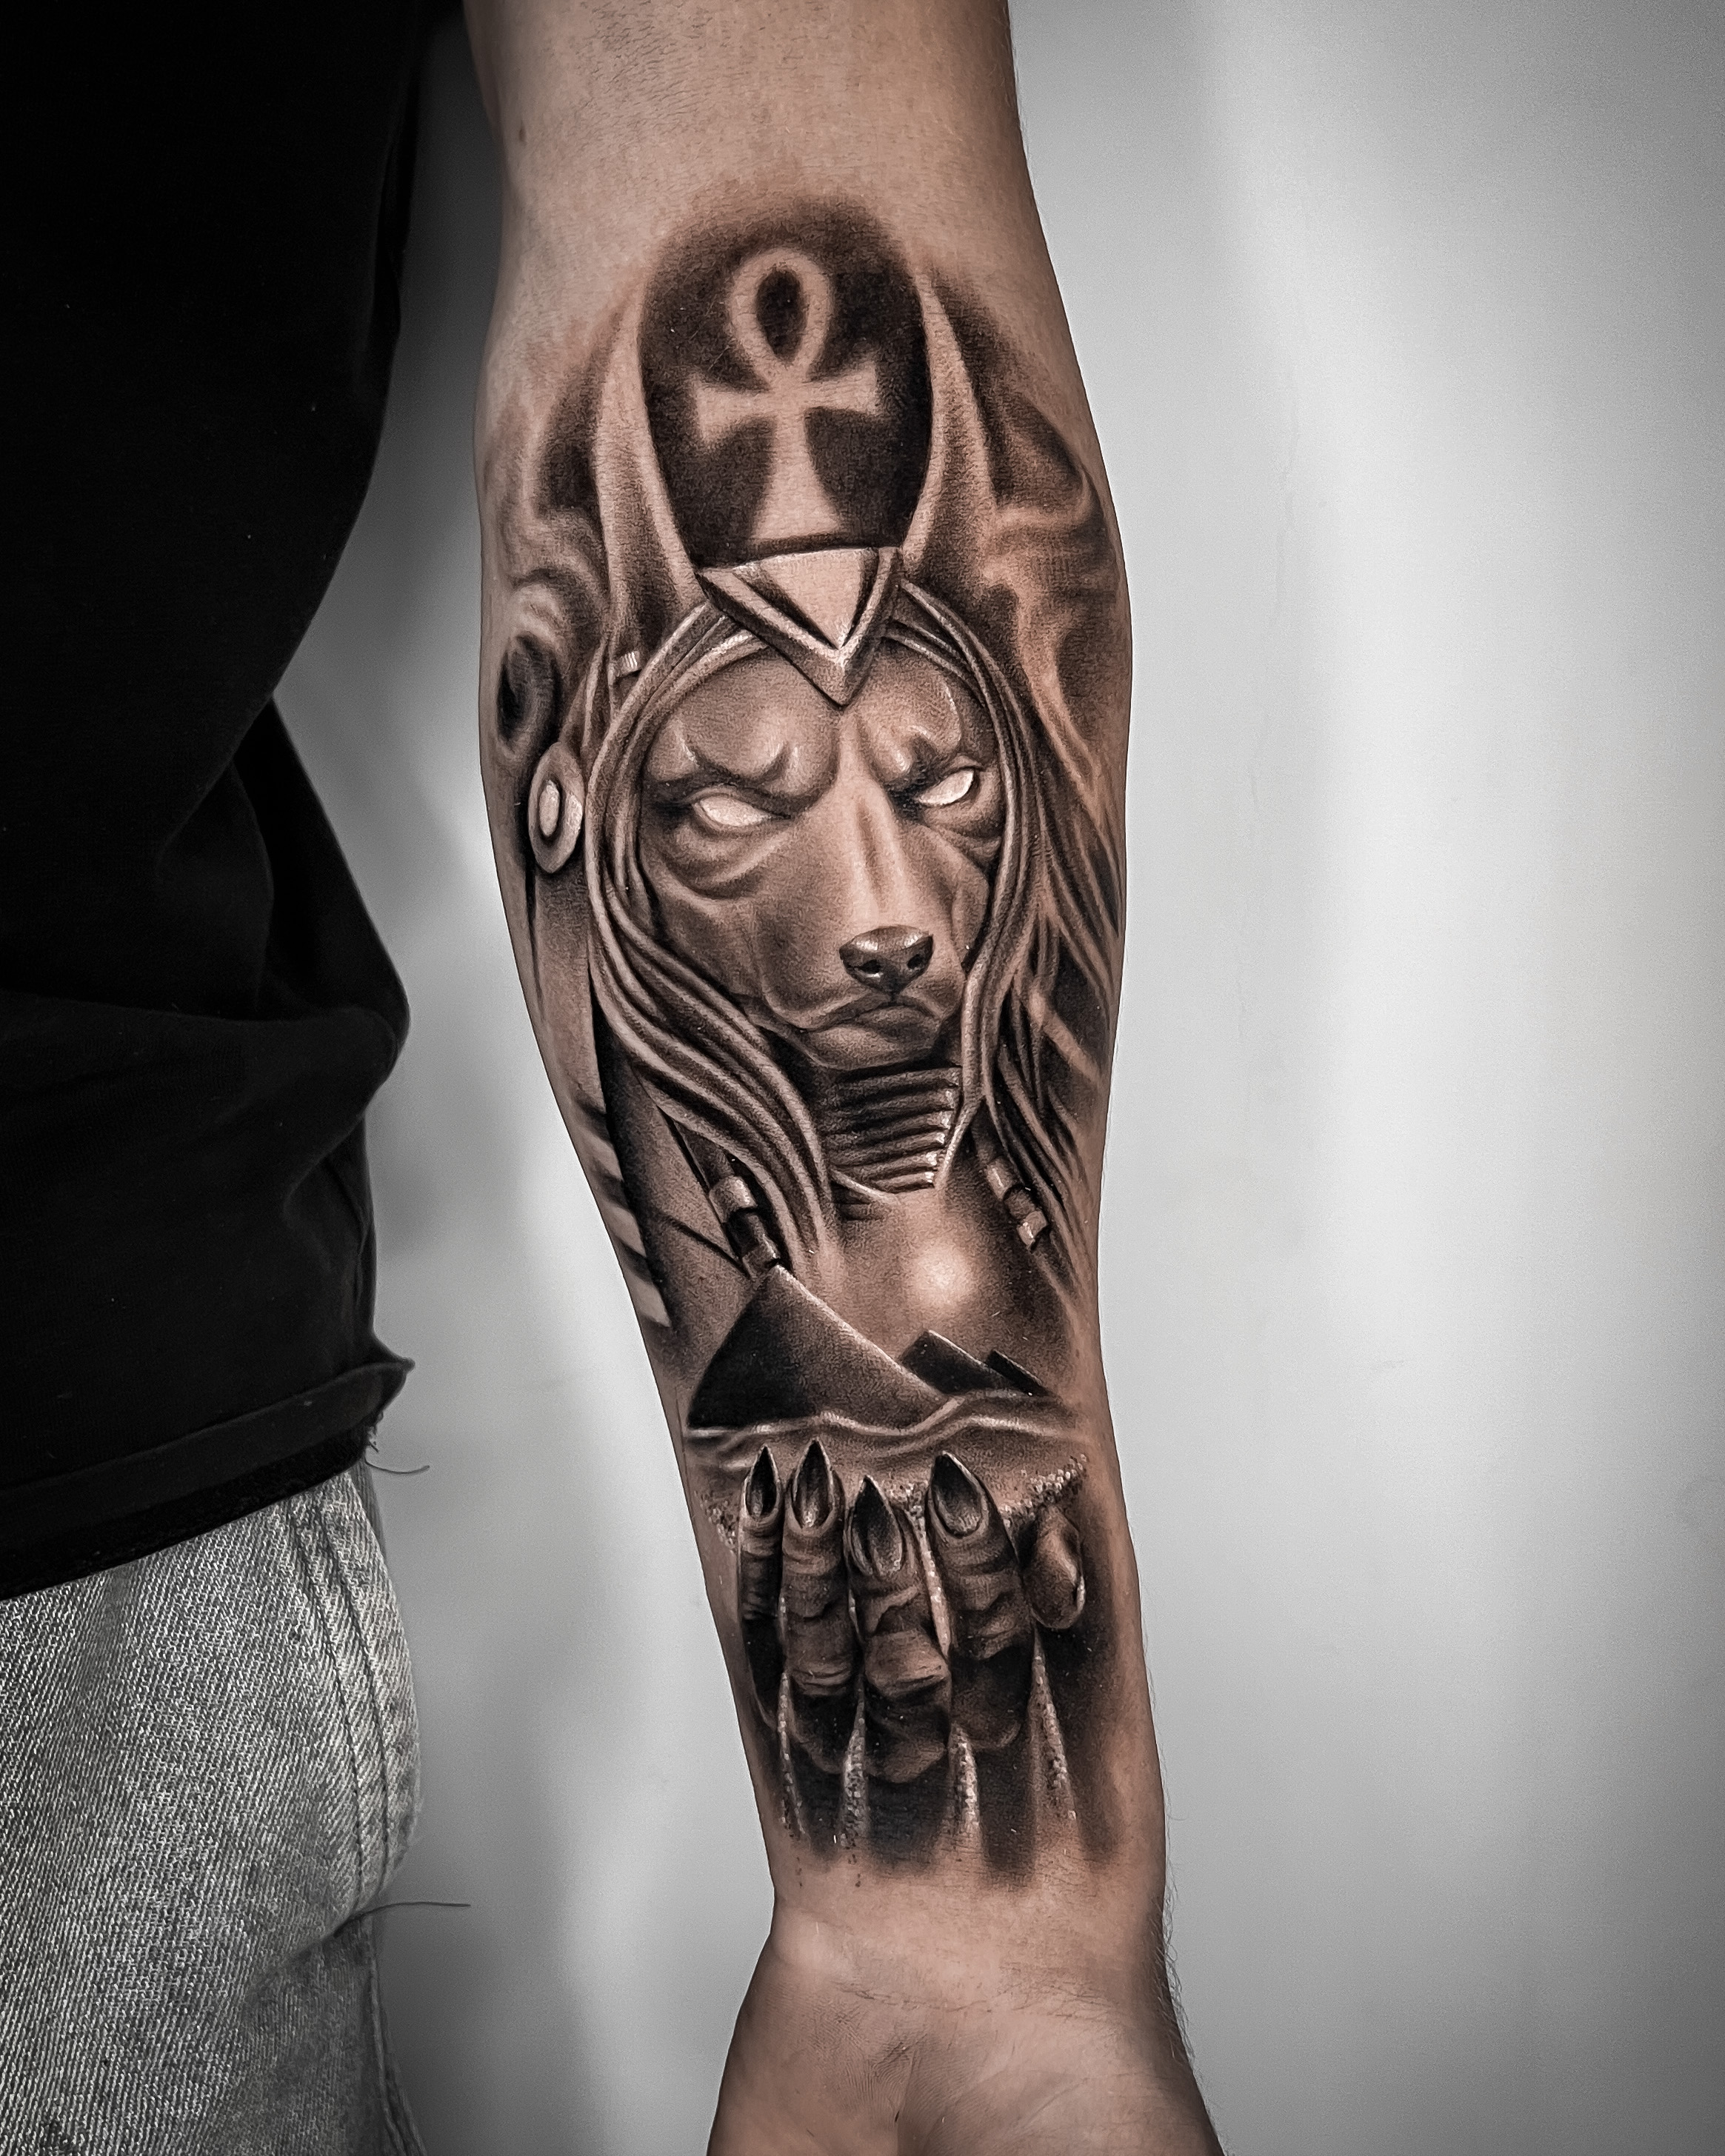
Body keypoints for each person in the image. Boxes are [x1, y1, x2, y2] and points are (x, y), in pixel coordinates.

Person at [4, 1, 1223, 2148]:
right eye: (745, 798)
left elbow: (755, 114)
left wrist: (960, 1938)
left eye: (933, 782)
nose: (878, 908)